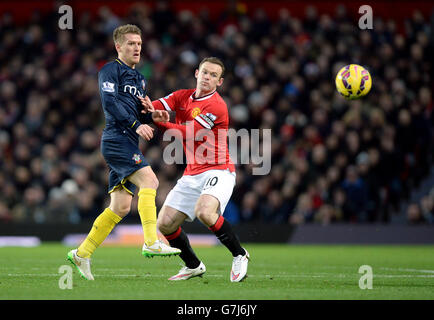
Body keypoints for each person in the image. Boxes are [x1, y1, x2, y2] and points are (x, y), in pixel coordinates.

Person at [67, 24, 180, 281]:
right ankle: (151, 241)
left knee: (119, 207)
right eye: (131, 43)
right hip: (116, 139)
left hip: (128, 141)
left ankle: (82, 254)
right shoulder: (110, 70)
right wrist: (136, 125)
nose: (136, 47)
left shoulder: (140, 79)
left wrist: (153, 115)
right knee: (150, 181)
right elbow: (109, 103)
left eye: (139, 43)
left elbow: (137, 112)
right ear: (118, 46)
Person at [139, 57, 250, 282]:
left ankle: (240, 254)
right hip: (192, 172)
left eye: (213, 76)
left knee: (204, 212)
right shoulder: (182, 96)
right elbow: (154, 106)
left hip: (218, 169)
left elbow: (190, 132)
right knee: (165, 223)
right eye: (205, 73)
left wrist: (160, 123)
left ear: (219, 82)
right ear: (197, 73)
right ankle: (193, 265)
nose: (208, 78)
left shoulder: (216, 105)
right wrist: (145, 108)